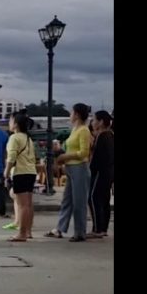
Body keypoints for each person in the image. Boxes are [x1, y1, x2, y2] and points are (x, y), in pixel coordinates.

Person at [47, 104, 93, 242]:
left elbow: (84, 152)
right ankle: (60, 228)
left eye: (71, 112)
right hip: (71, 168)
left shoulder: (84, 130)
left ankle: (80, 232)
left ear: (77, 114)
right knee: (67, 200)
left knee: (79, 202)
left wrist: (65, 156)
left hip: (80, 168)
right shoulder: (74, 130)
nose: (70, 115)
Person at [3, 113, 37, 242]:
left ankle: (21, 233)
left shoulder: (14, 137)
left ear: (16, 124)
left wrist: (6, 171)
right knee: (28, 204)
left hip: (20, 172)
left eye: (10, 121)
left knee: (22, 205)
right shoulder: (28, 138)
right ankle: (28, 231)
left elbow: (11, 157)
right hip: (31, 172)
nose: (9, 123)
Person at [88, 110, 115, 238]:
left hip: (101, 172)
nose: (92, 122)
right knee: (104, 199)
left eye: (94, 120)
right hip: (108, 172)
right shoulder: (111, 135)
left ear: (101, 122)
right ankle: (103, 228)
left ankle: (97, 229)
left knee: (93, 197)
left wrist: (91, 169)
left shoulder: (102, 136)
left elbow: (97, 158)